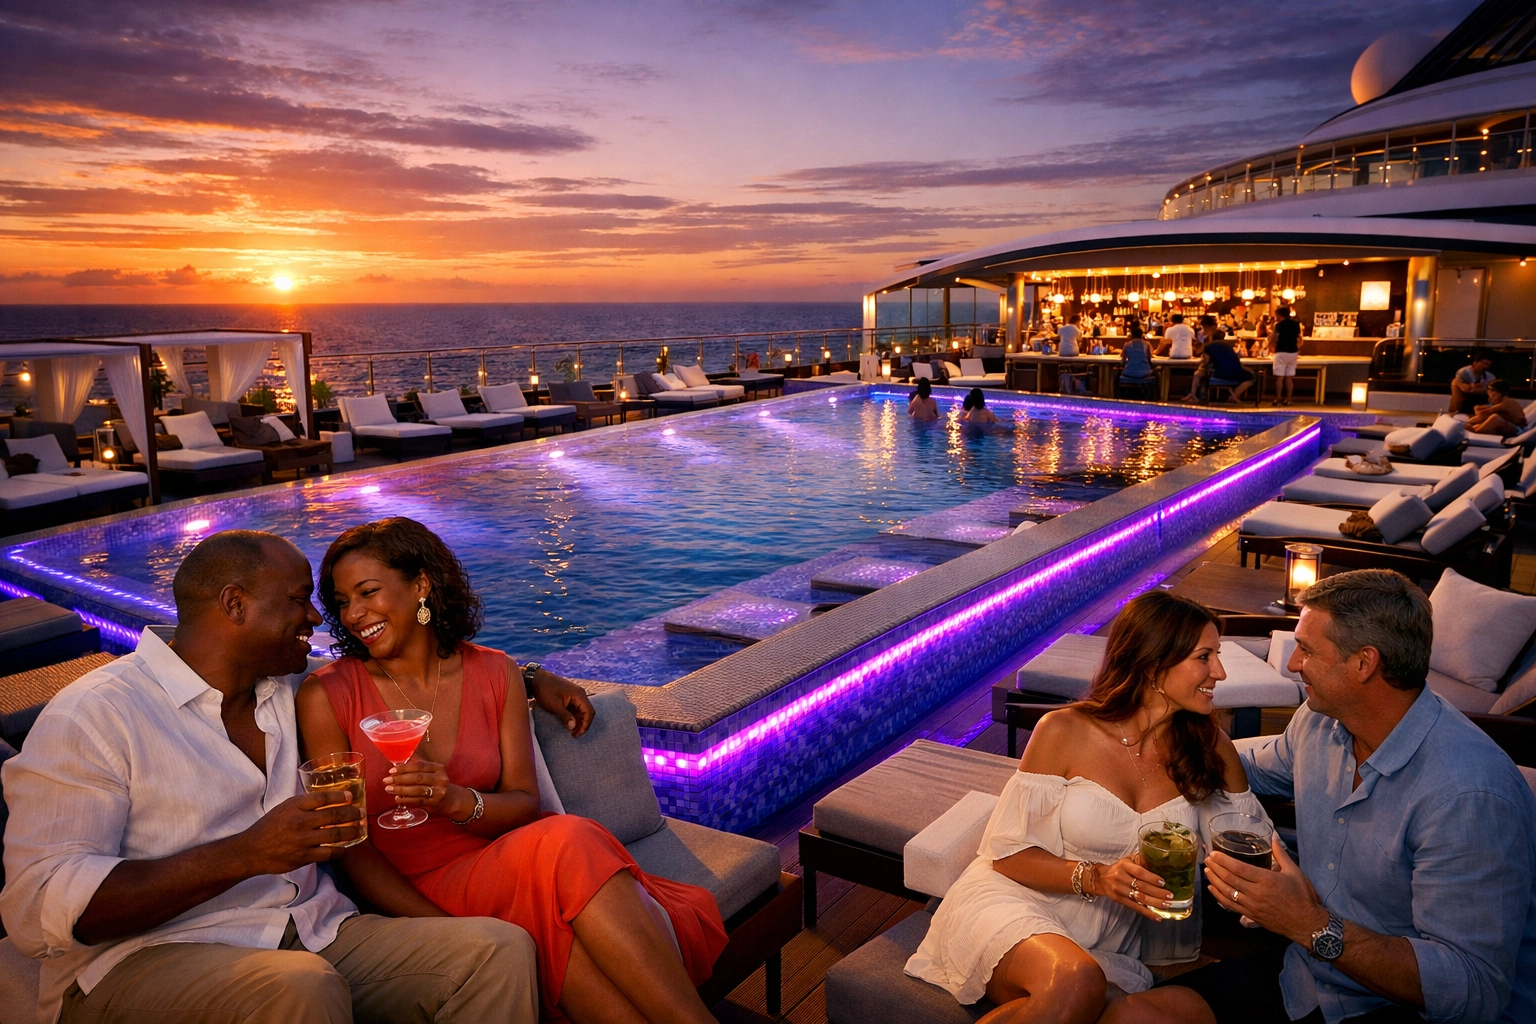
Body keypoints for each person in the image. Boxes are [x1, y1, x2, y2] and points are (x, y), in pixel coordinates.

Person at [0, 531, 544, 1024]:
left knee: (497, 951)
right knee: (299, 987)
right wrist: (247, 854)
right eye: (298, 599)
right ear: (235, 605)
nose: (316, 619)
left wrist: (534, 676)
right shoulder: (95, 715)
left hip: (315, 931)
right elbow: (35, 909)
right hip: (142, 957)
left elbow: (408, 668)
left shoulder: (285, 689)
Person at [297, 518, 728, 1024]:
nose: (354, 614)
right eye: (343, 602)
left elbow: (524, 803)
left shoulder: (495, 671)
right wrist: (444, 930)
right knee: (568, 846)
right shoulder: (327, 694)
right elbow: (353, 848)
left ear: (420, 584)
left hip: (506, 862)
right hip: (413, 889)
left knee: (565, 850)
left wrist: (455, 800)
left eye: (367, 592)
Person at [1164, 569, 1536, 1024]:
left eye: (1307, 649)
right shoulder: (1322, 723)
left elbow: (1472, 987)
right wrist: (1151, 736)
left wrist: (1306, 922)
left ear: (1364, 663)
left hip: (1401, 1007)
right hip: (1307, 974)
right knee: (1138, 1014)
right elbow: (1251, 765)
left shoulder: (1466, 796)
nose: (1292, 664)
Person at [905, 590, 1267, 1024]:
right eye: (1204, 658)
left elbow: (1251, 847)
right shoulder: (1063, 730)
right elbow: (1006, 856)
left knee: (1135, 1017)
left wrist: (1253, 895)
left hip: (1105, 940)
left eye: (1217, 656)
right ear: (1153, 664)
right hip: (1014, 903)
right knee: (1077, 981)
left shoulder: (1209, 750)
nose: (1220, 672)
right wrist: (1098, 878)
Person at [1188, 330, 1253, 404]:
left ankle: (1194, 395)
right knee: (1251, 377)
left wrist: (1202, 365)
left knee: (1199, 373)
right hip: (1235, 373)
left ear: (1211, 337)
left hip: (1220, 374)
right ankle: (1234, 396)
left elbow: (1206, 362)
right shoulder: (1228, 345)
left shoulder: (1208, 346)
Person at [1270, 308, 1302, 407]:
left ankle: (1278, 398)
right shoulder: (1296, 324)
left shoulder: (1279, 325)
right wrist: (1298, 347)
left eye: (1277, 315)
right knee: (1289, 378)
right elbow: (1299, 338)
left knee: (1279, 378)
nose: (1276, 317)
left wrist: (1270, 347)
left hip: (1281, 352)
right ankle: (1288, 399)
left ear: (1280, 315)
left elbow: (1274, 337)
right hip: (1293, 352)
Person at [1450, 350, 1497, 415]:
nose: (1485, 367)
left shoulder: (1490, 376)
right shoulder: (1463, 373)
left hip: (1482, 401)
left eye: (1488, 365)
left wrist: (1472, 388)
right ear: (1475, 362)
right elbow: (1464, 388)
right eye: (1484, 363)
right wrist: (1472, 387)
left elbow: (1489, 390)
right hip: (1464, 401)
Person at [1118, 324, 1156, 395]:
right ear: (1142, 335)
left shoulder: (1127, 344)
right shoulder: (1147, 344)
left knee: (1116, 373)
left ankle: (1116, 394)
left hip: (1128, 373)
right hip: (1145, 373)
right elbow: (1149, 359)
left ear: (1131, 335)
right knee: (1157, 373)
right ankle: (1154, 395)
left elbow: (1122, 361)